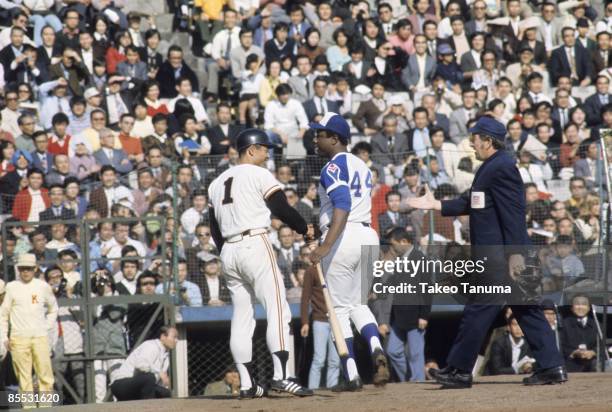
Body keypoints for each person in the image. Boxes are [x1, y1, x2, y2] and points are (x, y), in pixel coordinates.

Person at [407, 116, 567, 388]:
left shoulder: (501, 166)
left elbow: (514, 213)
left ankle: (458, 370)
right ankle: (552, 367)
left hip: (504, 256)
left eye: (475, 140)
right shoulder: (493, 166)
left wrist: (516, 254)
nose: (473, 145)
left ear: (488, 141)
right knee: (527, 309)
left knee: (478, 310)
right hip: (508, 254)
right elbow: (473, 201)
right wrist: (436, 204)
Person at [207, 128, 315, 398]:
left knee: (242, 317)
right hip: (254, 241)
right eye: (265, 148)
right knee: (278, 309)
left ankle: (246, 384)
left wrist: (227, 251)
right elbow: (280, 208)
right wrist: (303, 227)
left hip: (229, 249)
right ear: (251, 150)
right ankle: (281, 376)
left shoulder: (216, 182)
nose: (268, 153)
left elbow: (213, 228)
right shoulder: (259, 174)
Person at [308, 112, 390, 390]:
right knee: (360, 305)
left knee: (340, 310)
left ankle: (352, 374)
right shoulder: (362, 165)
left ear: (335, 138)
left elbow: (341, 204)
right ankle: (376, 346)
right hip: (368, 236)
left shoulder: (332, 167)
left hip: (344, 236)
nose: (315, 139)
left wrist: (326, 245)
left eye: (320, 134)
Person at [0, 253, 57, 408]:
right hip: (18, 338)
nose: (25, 272)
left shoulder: (42, 286)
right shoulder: (11, 287)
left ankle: (46, 408)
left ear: (35, 269)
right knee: (23, 376)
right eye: (22, 269)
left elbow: (53, 308)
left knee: (45, 374)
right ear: (18, 269)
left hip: (40, 336)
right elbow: (3, 314)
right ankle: (29, 408)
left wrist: (46, 326)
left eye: (29, 269)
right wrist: (5, 337)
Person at [378, 227, 431, 382]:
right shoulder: (400, 260)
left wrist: (424, 316)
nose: (392, 248)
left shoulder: (420, 259)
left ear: (404, 242)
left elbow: (427, 290)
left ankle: (417, 383)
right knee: (393, 351)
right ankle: (409, 380)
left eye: (393, 244)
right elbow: (393, 282)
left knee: (415, 354)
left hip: (415, 317)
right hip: (399, 318)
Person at [110, 326, 177, 401]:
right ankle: (147, 408)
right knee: (149, 378)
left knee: (166, 393)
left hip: (139, 386)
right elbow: (140, 365)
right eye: (174, 337)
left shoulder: (166, 355)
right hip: (121, 384)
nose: (176, 340)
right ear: (163, 337)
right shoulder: (151, 346)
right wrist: (159, 372)